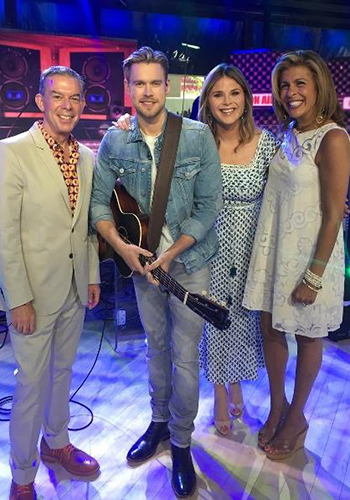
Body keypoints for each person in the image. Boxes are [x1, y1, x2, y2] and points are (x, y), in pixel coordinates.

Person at [90, 46, 222, 497]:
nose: (147, 91)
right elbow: (97, 204)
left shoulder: (197, 136)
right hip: (141, 266)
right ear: (128, 89)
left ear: (168, 86)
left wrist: (171, 252)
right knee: (155, 348)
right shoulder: (115, 140)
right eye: (138, 83)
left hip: (187, 265)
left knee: (185, 358)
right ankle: (159, 423)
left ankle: (182, 442)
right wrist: (124, 250)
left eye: (154, 82)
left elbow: (209, 208)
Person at [243, 50, 350, 460]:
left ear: (319, 86)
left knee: (307, 338)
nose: (290, 93)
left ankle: (297, 416)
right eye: (285, 85)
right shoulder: (287, 132)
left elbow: (334, 214)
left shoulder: (334, 137)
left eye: (300, 83)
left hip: (310, 259)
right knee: (271, 332)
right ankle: (278, 407)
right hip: (275, 253)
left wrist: (314, 275)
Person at [0, 66, 101, 500]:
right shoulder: (13, 151)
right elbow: (5, 233)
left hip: (75, 287)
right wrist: (18, 297)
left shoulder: (88, 158)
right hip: (34, 296)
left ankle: (56, 443)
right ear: (41, 101)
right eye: (57, 96)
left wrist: (92, 275)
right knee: (30, 385)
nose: (67, 105)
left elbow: (88, 228)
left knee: (63, 373)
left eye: (75, 98)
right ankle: (22, 475)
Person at [197, 64, 279, 435]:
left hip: (250, 247)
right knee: (213, 318)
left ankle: (236, 382)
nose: (227, 101)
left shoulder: (266, 143)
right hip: (207, 245)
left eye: (234, 93)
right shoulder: (196, 141)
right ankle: (218, 391)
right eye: (218, 94)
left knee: (243, 321)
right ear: (207, 100)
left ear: (246, 99)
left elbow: (290, 187)